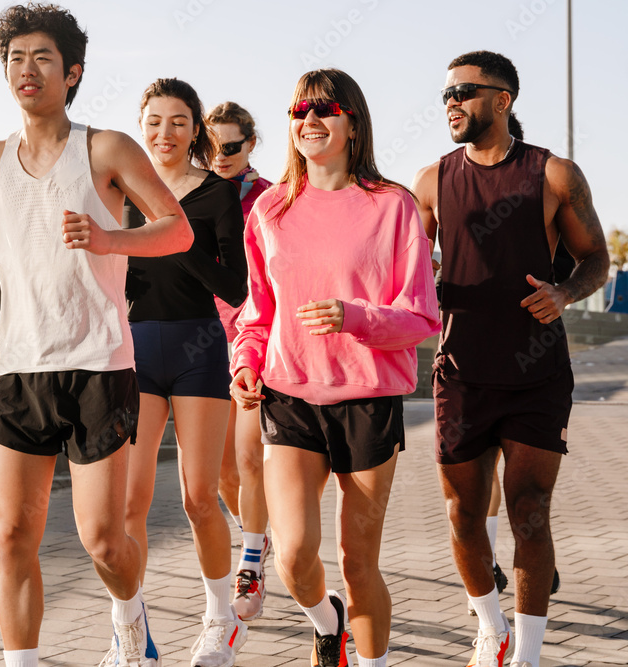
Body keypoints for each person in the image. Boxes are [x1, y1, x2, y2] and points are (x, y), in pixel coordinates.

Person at [0, 6, 194, 667]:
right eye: (15, 57)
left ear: (73, 71)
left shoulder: (105, 147)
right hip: (17, 366)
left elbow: (177, 227)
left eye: (42, 57)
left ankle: (129, 620)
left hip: (98, 365)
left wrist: (110, 237)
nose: (27, 69)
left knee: (104, 541)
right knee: (12, 533)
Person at [231, 68, 440, 667]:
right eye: (299, 111)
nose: (310, 120)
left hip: (367, 400)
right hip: (290, 395)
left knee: (357, 561)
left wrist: (354, 316)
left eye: (326, 109)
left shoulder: (392, 205)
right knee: (295, 556)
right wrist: (246, 360)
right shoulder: (270, 209)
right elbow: (258, 307)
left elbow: (422, 317)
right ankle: (328, 622)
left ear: (354, 122)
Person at [412, 50, 608, 667]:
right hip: (462, 375)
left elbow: (595, 258)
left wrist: (566, 291)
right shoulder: (431, 181)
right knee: (465, 516)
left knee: (528, 512)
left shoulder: (553, 175)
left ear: (503, 100)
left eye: (465, 92)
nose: (452, 102)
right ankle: (489, 623)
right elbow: (401, 269)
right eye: (446, 93)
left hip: (537, 375)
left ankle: (524, 654)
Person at [121, 78, 248, 667]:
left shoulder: (219, 194)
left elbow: (237, 286)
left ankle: (220, 621)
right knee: (129, 504)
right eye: (153, 121)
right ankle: (133, 637)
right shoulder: (119, 189)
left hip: (199, 349)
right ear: (140, 125)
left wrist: (179, 242)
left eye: (177, 121)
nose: (164, 133)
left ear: (196, 128)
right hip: (136, 351)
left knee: (200, 499)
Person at [205, 101, 273, 622]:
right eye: (213, 147)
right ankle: (259, 531)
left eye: (232, 146)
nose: (222, 156)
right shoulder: (190, 195)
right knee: (224, 472)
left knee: (251, 460)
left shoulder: (270, 199)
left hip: (255, 339)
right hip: (202, 341)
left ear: (251, 144)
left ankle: (251, 559)